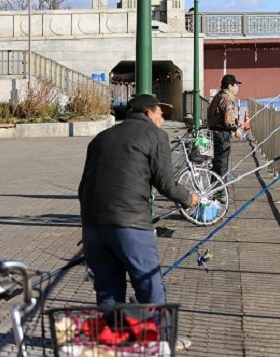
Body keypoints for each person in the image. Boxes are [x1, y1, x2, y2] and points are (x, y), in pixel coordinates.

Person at [78, 94, 200, 312]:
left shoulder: (100, 138)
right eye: (160, 114)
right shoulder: (156, 135)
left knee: (107, 289)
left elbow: (83, 187)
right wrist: (189, 198)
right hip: (131, 225)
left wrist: (90, 226)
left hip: (93, 225)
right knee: (149, 285)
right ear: (148, 113)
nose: (162, 119)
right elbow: (166, 183)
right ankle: (160, 339)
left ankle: (113, 339)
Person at [207, 74, 243, 180]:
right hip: (222, 136)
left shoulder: (218, 96)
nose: (237, 87)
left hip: (214, 133)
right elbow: (228, 122)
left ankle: (214, 190)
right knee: (222, 164)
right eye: (235, 85)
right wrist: (236, 130)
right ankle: (220, 193)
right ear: (229, 86)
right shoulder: (227, 99)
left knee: (216, 164)